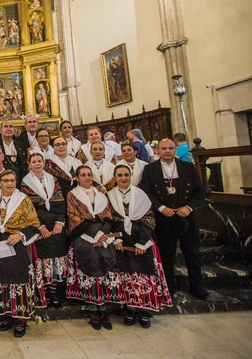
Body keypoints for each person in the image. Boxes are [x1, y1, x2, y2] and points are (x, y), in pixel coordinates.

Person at [139, 138, 208, 300]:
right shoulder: (150, 169)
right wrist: (162, 208)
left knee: (192, 253)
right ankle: (168, 285)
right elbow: (146, 192)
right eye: (164, 148)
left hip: (187, 217)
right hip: (164, 218)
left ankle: (196, 285)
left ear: (175, 150)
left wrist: (188, 207)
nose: (167, 151)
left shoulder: (188, 167)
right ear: (157, 151)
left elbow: (199, 192)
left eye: (170, 148)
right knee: (166, 254)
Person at [108, 165, 173, 328]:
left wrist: (142, 241)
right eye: (119, 175)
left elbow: (149, 219)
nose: (123, 178)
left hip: (141, 240)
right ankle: (129, 309)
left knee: (144, 277)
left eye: (126, 175)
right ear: (114, 177)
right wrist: (117, 240)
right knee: (127, 277)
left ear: (131, 176)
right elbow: (109, 221)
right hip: (121, 242)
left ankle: (144, 310)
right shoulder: (109, 196)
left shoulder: (140, 194)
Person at [66, 166, 123, 330]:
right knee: (88, 257)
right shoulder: (72, 195)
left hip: (102, 235)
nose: (86, 178)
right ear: (77, 177)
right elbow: (74, 217)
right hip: (83, 234)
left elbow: (108, 215)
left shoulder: (100, 194)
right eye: (83, 175)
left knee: (106, 257)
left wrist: (102, 234)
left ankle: (103, 309)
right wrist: (94, 234)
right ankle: (92, 309)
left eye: (89, 175)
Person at [0, 169, 41, 337]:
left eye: (12, 180)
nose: (10, 183)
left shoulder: (23, 200)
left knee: (18, 283)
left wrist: (20, 235)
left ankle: (21, 319)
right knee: (3, 282)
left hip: (18, 246)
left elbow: (35, 224)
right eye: (6, 180)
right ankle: (9, 316)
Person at [22, 153, 68, 308]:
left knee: (56, 260)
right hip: (38, 227)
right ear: (29, 164)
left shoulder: (52, 179)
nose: (37, 164)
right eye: (33, 161)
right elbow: (27, 209)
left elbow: (61, 201)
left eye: (39, 161)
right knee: (43, 262)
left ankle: (54, 292)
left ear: (44, 163)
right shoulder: (25, 183)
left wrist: (60, 222)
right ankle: (44, 292)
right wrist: (40, 226)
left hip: (56, 225)